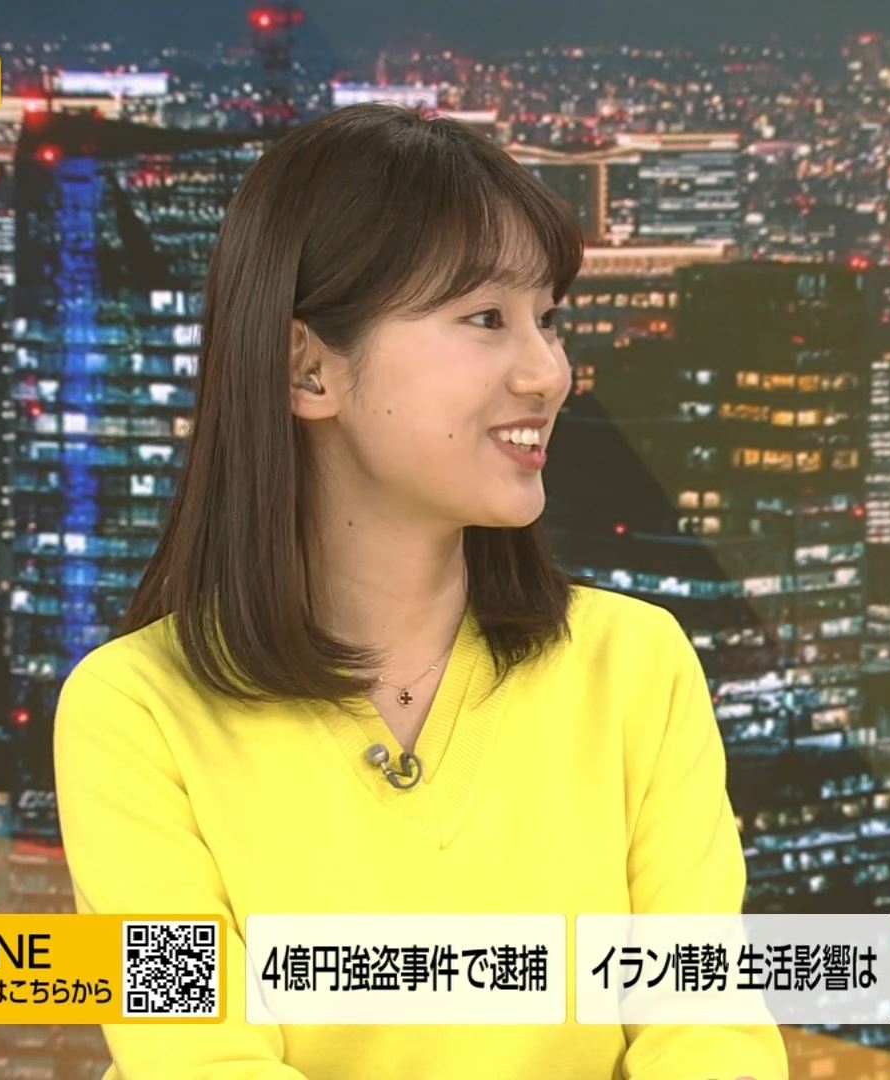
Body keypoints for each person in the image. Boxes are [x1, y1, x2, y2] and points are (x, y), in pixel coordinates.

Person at [53, 102, 788, 1080]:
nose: (549, 374)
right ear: (309, 369)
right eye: (486, 319)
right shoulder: (136, 711)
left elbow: (705, 1028)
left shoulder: (635, 667)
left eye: (549, 321)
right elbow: (198, 1060)